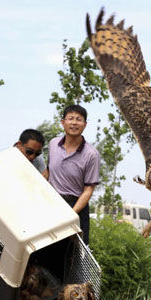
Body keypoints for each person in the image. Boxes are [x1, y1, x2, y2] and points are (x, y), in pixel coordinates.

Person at [0, 128, 45, 300]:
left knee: (22, 265)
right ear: (18, 146)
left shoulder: (38, 162)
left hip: (23, 217)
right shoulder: (0, 160)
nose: (33, 157)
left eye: (37, 153)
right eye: (29, 152)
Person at [43, 105, 100, 245]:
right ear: (63, 122)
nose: (74, 123)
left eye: (79, 119)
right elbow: (48, 172)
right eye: (70, 118)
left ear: (85, 125)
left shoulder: (91, 155)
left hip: (76, 207)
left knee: (74, 255)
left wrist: (71, 214)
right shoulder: (53, 144)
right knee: (46, 249)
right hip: (52, 202)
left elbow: (88, 190)